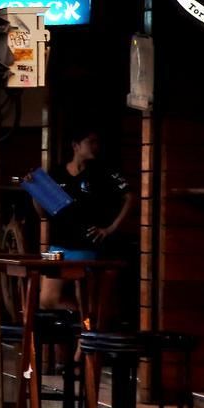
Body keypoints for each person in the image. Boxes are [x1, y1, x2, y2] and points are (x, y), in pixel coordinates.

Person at [41, 128, 136, 310]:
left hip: (85, 246)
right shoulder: (56, 173)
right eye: (90, 142)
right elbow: (43, 213)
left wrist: (110, 229)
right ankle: (78, 324)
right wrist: (33, 191)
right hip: (55, 247)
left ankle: (85, 332)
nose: (95, 146)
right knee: (46, 300)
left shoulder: (103, 172)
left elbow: (131, 197)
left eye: (97, 142)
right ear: (76, 146)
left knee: (87, 302)